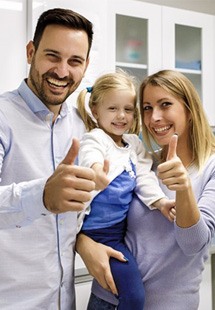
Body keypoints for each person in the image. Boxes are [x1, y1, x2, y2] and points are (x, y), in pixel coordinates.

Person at [76, 69, 215, 310]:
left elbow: (194, 244)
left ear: (189, 109)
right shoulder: (138, 161)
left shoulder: (210, 168)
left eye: (165, 104)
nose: (154, 118)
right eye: (148, 108)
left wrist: (183, 190)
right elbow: (97, 213)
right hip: (106, 299)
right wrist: (82, 243)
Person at [0, 8, 97, 310]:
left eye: (75, 61)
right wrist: (41, 196)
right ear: (31, 52)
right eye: (52, 56)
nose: (62, 71)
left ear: (85, 65)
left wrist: (86, 240)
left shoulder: (82, 125)